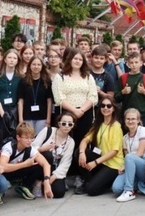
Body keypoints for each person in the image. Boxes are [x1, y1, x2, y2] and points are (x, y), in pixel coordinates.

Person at [51, 47, 98, 187]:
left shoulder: (88, 76)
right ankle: (63, 175)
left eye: (80, 59)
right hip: (67, 115)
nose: (77, 61)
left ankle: (80, 175)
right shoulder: (60, 77)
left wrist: (81, 110)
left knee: (82, 144)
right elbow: (59, 97)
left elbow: (93, 96)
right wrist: (74, 111)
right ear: (69, 60)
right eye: (75, 58)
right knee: (65, 145)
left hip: (85, 114)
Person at [76, 96, 124, 196]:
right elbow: (85, 140)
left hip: (113, 164)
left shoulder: (116, 126)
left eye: (109, 106)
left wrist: (95, 162)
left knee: (91, 191)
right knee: (78, 152)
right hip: (102, 160)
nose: (105, 108)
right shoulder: (98, 124)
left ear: (113, 108)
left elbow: (114, 151)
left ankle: (105, 183)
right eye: (103, 105)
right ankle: (90, 181)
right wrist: (81, 153)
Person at [0, 122, 54, 200]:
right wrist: (24, 164)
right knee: (0, 177)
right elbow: (2, 166)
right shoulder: (9, 147)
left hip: (18, 171)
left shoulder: (30, 148)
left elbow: (46, 164)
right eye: (26, 138)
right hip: (5, 173)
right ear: (18, 137)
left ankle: (25, 186)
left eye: (31, 138)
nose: (29, 141)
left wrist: (46, 182)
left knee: (39, 165)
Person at [113, 108, 145, 202]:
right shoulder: (125, 138)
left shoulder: (143, 130)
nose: (130, 121)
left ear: (138, 120)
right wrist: (125, 165)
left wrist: (125, 165)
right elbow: (127, 156)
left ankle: (129, 191)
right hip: (132, 164)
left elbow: (140, 153)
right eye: (128, 119)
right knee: (116, 188)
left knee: (129, 157)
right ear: (125, 120)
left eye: (133, 119)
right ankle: (139, 185)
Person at [32, 113, 76, 198]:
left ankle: (45, 184)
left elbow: (65, 163)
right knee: (48, 155)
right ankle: (37, 182)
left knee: (59, 193)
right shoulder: (47, 131)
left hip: (54, 169)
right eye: (64, 123)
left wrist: (52, 178)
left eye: (70, 124)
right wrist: (42, 149)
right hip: (40, 165)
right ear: (59, 123)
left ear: (72, 126)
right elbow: (32, 148)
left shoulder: (71, 142)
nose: (66, 126)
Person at [115, 51, 145, 127]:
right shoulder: (123, 78)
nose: (134, 65)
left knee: (142, 137)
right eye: (131, 62)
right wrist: (123, 92)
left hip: (142, 114)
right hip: (127, 114)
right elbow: (116, 98)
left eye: (136, 62)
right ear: (128, 64)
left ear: (141, 63)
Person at [17, 55, 53, 136]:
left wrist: (48, 119)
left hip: (42, 117)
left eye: (38, 64)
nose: (36, 67)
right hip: (27, 117)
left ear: (42, 66)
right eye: (33, 64)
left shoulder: (46, 81)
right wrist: (20, 119)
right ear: (29, 65)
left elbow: (49, 101)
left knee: (39, 140)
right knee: (28, 138)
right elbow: (20, 101)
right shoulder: (23, 81)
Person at [0, 49, 20, 138]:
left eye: (14, 58)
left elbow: (21, 97)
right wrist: (3, 114)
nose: (12, 60)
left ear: (17, 60)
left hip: (15, 112)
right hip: (1, 110)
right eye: (9, 57)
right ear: (5, 60)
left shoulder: (20, 77)